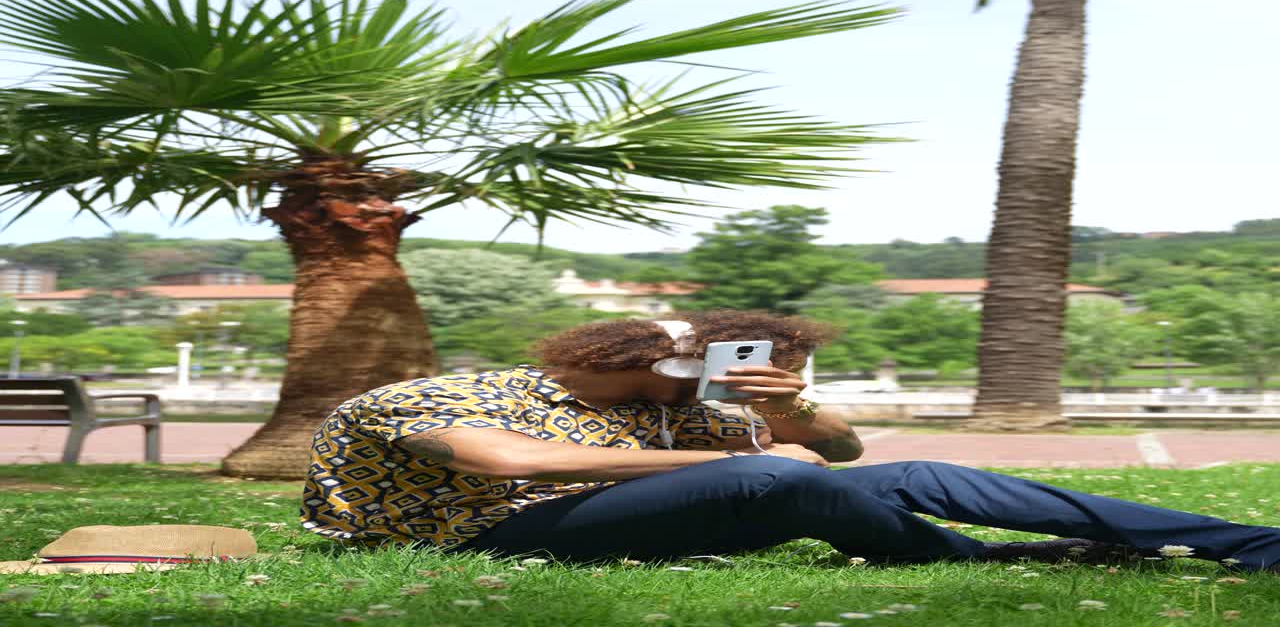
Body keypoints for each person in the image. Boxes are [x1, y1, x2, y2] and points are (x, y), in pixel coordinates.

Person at [300, 311, 1280, 572]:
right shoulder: (438, 393)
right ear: (639, 356)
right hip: (482, 535)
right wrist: (744, 461)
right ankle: (979, 561)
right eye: (698, 361)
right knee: (774, 488)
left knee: (920, 469)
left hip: (638, 508)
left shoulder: (684, 415)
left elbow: (839, 460)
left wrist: (799, 416)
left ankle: (1246, 545)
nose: (715, 376)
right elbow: (505, 465)